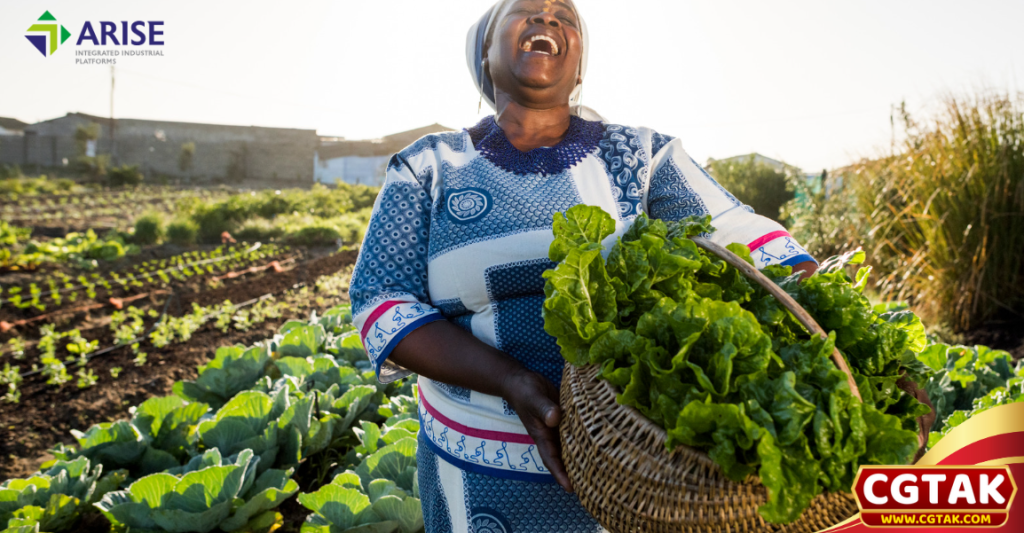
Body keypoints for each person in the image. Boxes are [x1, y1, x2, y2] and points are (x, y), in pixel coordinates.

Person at [348, 0, 818, 530]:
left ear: (578, 67)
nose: (548, 18)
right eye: (526, 10)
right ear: (485, 48)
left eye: (564, 17)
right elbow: (380, 299)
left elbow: (745, 239)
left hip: (633, 464)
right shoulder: (429, 164)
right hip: (476, 466)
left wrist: (843, 341)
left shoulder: (641, 156)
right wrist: (510, 380)